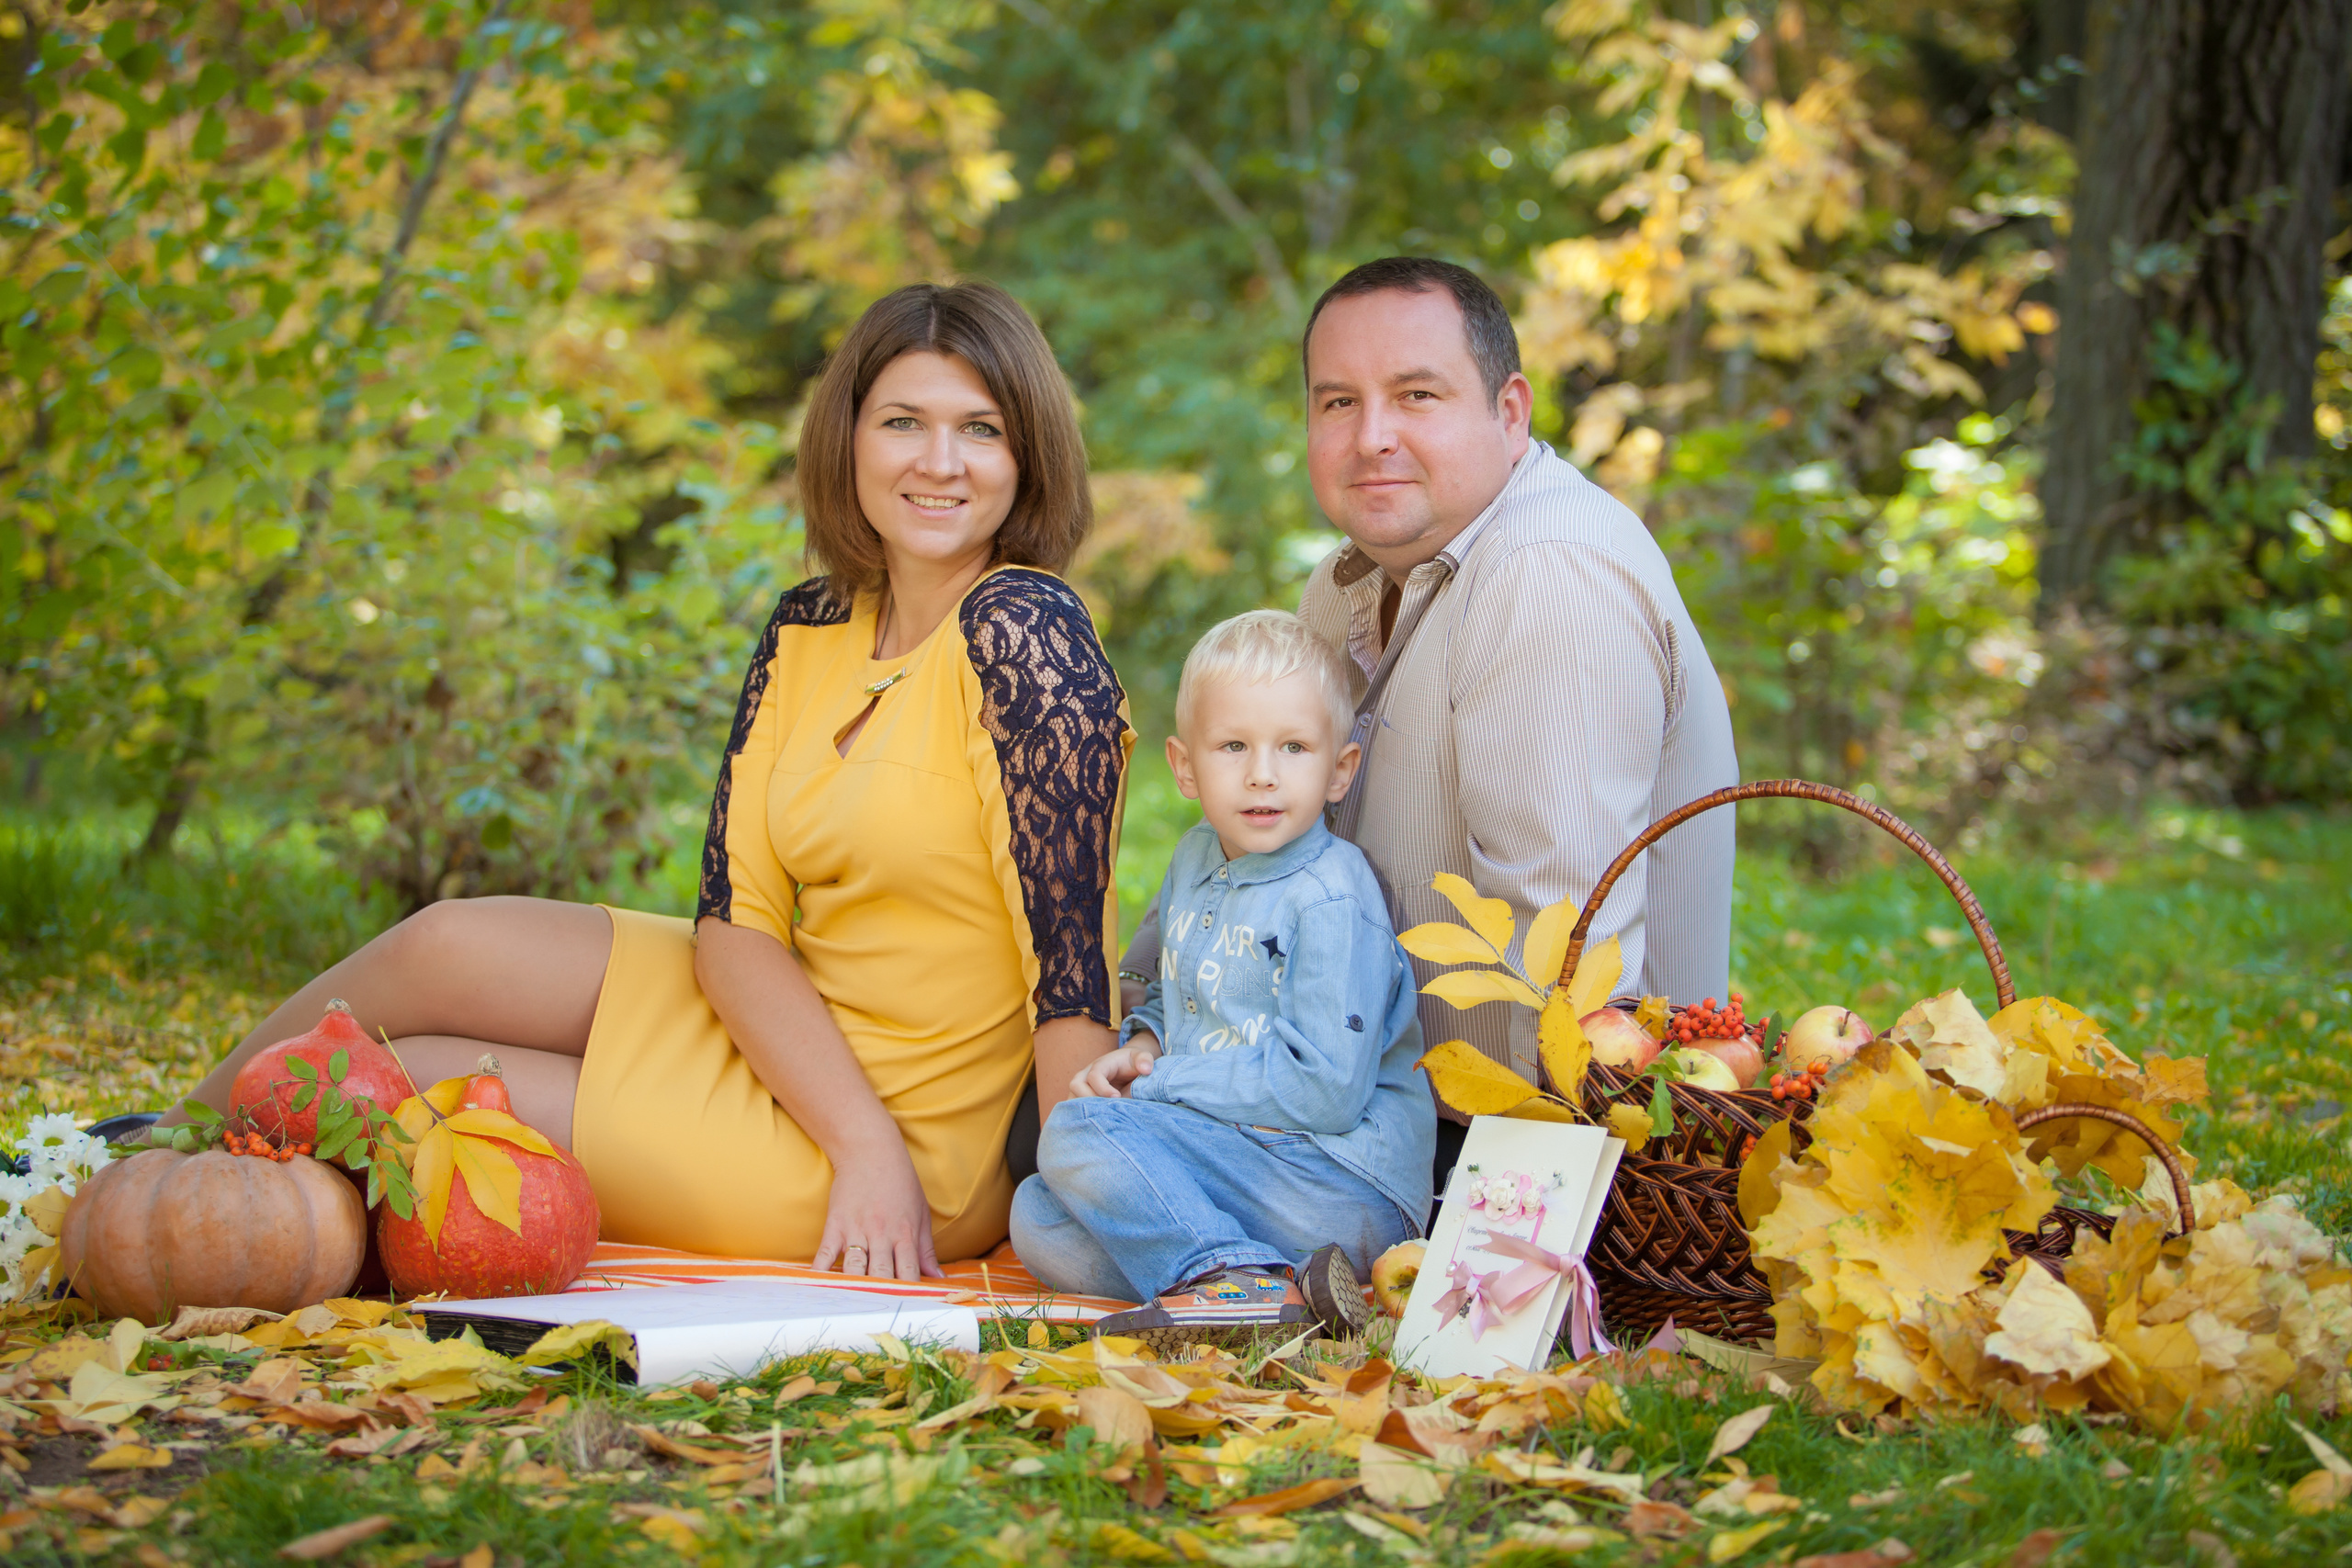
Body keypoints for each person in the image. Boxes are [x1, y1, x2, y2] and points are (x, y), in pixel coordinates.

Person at [175, 281, 1133, 1281]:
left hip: (897, 1143)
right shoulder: (810, 626)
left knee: (406, 1078)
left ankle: (198, 1192)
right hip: (786, 1026)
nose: (940, 462)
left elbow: (1072, 968)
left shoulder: (1028, 632)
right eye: (903, 422)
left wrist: (1031, 1189)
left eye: (979, 429)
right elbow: (735, 920)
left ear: (1025, 458)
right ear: (848, 439)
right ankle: (147, 1151)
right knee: (444, 941)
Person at [1122, 257, 1738, 1198]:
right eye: (1337, 403)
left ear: (1509, 410)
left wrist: (1485, 1259)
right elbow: (1261, 847)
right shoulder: (1351, 580)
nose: (1372, 437)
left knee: (1074, 1162)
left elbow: (1563, 974)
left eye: (1416, 395)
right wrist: (1145, 1020)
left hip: (1517, 1157)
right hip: (1331, 1091)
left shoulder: (1547, 574)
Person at [1012, 611, 1435, 1349]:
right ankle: (1267, 1286)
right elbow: (1172, 987)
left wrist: (1163, 1080)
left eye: (1294, 747)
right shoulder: (1195, 857)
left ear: (1340, 769)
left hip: (1339, 1180)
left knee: (1078, 1130)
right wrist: (1143, 1043)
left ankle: (1221, 1275)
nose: (1262, 772)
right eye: (1233, 745)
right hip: (1236, 1158)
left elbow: (1324, 1092)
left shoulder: (1331, 896)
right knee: (1039, 1213)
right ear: (1184, 767)